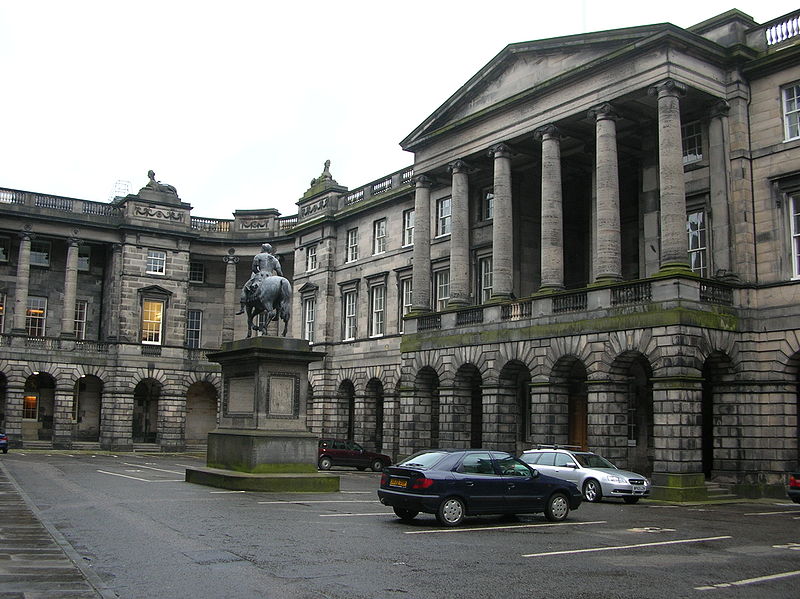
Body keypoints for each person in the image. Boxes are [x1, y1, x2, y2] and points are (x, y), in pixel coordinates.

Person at [237, 243, 283, 314]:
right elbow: (279, 272)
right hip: (270, 276)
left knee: (245, 288)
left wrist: (258, 273)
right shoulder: (275, 259)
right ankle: (279, 311)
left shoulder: (258, 256)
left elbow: (254, 268)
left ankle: (242, 308)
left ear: (263, 249)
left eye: (261, 248)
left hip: (260, 276)